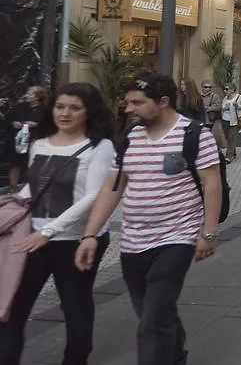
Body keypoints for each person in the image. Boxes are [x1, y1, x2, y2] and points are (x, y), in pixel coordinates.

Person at [75, 71, 222, 365]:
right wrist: (90, 234)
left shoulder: (194, 135)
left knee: (152, 320)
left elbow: (212, 184)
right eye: (128, 102)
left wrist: (208, 234)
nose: (128, 108)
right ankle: (176, 355)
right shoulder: (129, 136)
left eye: (136, 102)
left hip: (176, 238)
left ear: (163, 102)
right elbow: (112, 187)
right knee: (153, 312)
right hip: (133, 242)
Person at [0, 83, 117, 365]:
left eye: (75, 108)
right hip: (30, 237)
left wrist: (50, 231)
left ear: (89, 112)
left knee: (75, 306)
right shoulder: (40, 142)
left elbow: (94, 195)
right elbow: (35, 186)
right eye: (60, 106)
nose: (65, 114)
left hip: (76, 241)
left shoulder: (99, 146)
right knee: (12, 309)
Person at [4, 86, 48, 187]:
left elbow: (49, 125)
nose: (27, 95)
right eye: (27, 93)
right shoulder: (20, 106)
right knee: (15, 164)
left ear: (38, 97)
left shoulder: (45, 109)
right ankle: (13, 187)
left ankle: (31, 187)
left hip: (35, 140)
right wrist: (13, 123)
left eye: (30, 94)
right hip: (18, 140)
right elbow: (9, 118)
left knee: (33, 164)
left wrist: (36, 124)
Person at [220, 82, 241, 163]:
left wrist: (238, 106)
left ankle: (228, 157)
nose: (225, 91)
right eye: (224, 89)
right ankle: (233, 153)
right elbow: (222, 108)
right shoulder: (225, 98)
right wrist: (224, 108)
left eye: (226, 89)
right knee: (227, 137)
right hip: (225, 120)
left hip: (235, 121)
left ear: (232, 90)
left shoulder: (239, 97)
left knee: (232, 138)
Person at [199, 80, 225, 149]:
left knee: (208, 136)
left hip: (209, 120)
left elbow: (218, 106)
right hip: (199, 119)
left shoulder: (215, 96)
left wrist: (206, 108)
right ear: (202, 87)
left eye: (210, 87)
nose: (208, 89)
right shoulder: (198, 96)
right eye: (206, 87)